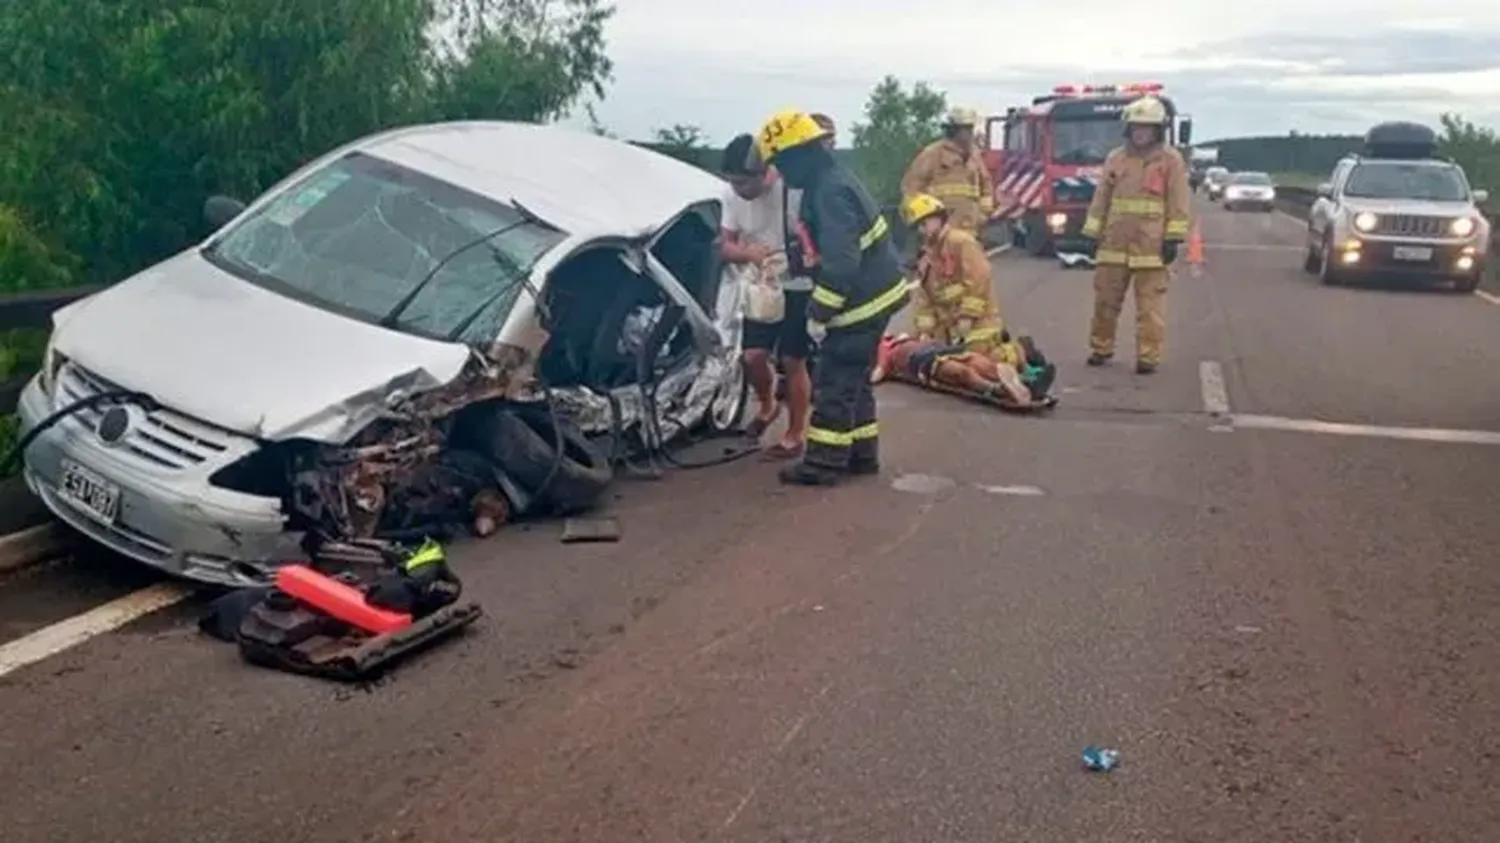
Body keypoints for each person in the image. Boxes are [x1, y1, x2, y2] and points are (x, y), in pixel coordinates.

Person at [755, 109, 910, 486]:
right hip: (874, 296)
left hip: (860, 303)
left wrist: (819, 313)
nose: (782, 173)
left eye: (782, 162)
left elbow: (841, 264)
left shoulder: (828, 191)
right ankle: (860, 454)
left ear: (800, 155)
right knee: (855, 381)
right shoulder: (832, 180)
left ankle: (824, 463)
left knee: (834, 382)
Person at [1078, 95, 1191, 374]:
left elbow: (1178, 202)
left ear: (1158, 131)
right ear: (1128, 129)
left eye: (1148, 128)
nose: (1141, 133)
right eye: (1137, 127)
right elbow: (1101, 199)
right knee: (1105, 302)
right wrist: (1091, 233)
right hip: (1113, 244)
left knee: (1150, 309)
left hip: (1151, 249)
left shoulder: (1170, 161)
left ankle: (1148, 356)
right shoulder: (1116, 159)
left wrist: (1173, 239)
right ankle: (1101, 348)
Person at [717, 133, 813, 459]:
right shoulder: (730, 197)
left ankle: (795, 432)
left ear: (765, 173)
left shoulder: (791, 191)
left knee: (792, 359)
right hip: (760, 285)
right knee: (752, 357)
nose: (740, 191)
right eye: (733, 183)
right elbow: (725, 245)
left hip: (796, 283)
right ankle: (768, 403)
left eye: (744, 183)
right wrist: (747, 253)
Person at [900, 192, 1005, 359]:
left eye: (923, 223)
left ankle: (1021, 358)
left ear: (938, 218)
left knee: (984, 359)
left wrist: (967, 316)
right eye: (917, 227)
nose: (921, 230)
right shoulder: (927, 256)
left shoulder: (961, 242)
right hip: (948, 331)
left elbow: (979, 279)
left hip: (978, 324)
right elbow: (924, 298)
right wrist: (925, 331)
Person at [870, 333, 1056, 407]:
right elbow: (877, 375)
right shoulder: (883, 351)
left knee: (986, 365)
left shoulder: (904, 337)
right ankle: (996, 389)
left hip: (944, 349)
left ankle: (1026, 384)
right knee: (963, 373)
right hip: (924, 362)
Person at [899, 106, 995, 236]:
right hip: (939, 235)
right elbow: (911, 191)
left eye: (971, 128)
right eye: (966, 129)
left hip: (970, 234)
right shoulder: (932, 154)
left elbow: (986, 186)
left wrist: (983, 215)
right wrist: (922, 224)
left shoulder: (975, 156)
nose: (971, 133)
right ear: (954, 130)